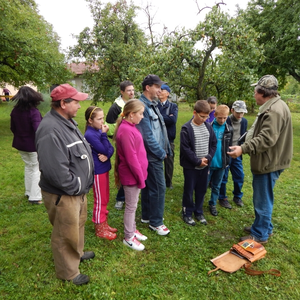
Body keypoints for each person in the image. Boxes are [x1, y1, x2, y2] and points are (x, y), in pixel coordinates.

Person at [35, 84, 95, 285]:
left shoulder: (66, 121)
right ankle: (68, 272)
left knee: (76, 225)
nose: (79, 105)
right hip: (65, 193)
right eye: (76, 101)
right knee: (64, 231)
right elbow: (55, 171)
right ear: (63, 103)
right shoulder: (50, 129)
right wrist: (77, 185)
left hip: (76, 191)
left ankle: (76, 253)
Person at [228, 75, 293, 244]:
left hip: (269, 162)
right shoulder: (274, 105)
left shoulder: (274, 111)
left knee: (262, 199)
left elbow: (266, 139)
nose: (254, 94)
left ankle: (260, 234)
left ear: (263, 92)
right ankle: (264, 226)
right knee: (264, 196)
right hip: (272, 159)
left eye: (255, 91)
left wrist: (243, 148)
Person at [136, 74, 171, 236]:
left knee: (149, 186)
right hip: (152, 155)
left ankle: (146, 216)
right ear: (148, 87)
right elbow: (147, 136)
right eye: (157, 87)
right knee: (159, 187)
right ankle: (156, 222)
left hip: (153, 154)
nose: (160, 90)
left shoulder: (152, 104)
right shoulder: (142, 106)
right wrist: (161, 153)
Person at [114, 99, 148, 251]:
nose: (142, 117)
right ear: (131, 114)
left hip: (136, 174)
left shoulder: (130, 126)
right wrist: (140, 178)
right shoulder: (126, 130)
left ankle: (133, 230)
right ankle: (128, 237)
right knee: (131, 207)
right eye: (140, 114)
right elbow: (131, 158)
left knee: (133, 205)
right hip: (132, 175)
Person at [180, 100, 217, 226]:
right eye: (202, 116)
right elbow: (185, 149)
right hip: (191, 167)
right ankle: (187, 212)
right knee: (189, 190)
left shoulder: (208, 127)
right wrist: (197, 161)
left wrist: (208, 157)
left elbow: (213, 144)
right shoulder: (186, 128)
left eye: (207, 116)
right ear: (194, 112)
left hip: (205, 165)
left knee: (202, 189)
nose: (204, 119)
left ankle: (199, 211)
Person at [84, 106, 117, 241]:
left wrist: (107, 155)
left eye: (103, 118)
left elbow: (110, 148)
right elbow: (104, 147)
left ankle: (104, 223)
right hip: (97, 171)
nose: (103, 122)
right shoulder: (90, 134)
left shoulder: (98, 131)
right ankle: (99, 227)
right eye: (99, 119)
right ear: (90, 121)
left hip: (104, 168)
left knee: (105, 197)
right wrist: (104, 135)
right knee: (100, 199)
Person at [10, 86, 43, 204]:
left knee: (29, 167)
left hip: (20, 144)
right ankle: (35, 197)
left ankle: (29, 191)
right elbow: (38, 130)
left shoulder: (15, 111)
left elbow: (12, 128)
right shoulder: (33, 112)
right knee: (36, 169)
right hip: (32, 146)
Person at [106, 80, 135, 210]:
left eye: (133, 90)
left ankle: (131, 195)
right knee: (123, 168)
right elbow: (110, 127)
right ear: (122, 92)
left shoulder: (134, 104)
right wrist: (118, 139)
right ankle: (120, 198)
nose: (132, 92)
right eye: (129, 90)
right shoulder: (116, 107)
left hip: (135, 141)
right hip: (123, 143)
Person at [219, 101, 248, 207]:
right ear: (232, 110)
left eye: (242, 113)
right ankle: (222, 198)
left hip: (237, 153)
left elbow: (243, 135)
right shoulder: (225, 120)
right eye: (238, 112)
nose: (240, 115)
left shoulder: (244, 121)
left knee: (239, 176)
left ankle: (237, 196)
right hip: (225, 153)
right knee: (224, 176)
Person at [208, 105, 233, 216]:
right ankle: (198, 203)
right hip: (208, 163)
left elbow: (230, 146)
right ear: (215, 115)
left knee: (217, 185)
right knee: (203, 185)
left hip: (221, 163)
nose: (222, 120)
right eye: (220, 118)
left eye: (225, 118)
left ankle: (212, 203)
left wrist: (227, 160)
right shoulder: (208, 127)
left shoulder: (229, 130)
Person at [157, 84, 178, 189]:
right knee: (157, 160)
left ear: (168, 93)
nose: (159, 91)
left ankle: (168, 182)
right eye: (159, 89)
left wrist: (160, 117)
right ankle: (158, 181)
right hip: (157, 137)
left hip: (169, 138)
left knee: (169, 161)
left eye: (162, 90)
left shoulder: (173, 106)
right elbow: (154, 119)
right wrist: (166, 117)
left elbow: (173, 120)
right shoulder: (154, 105)